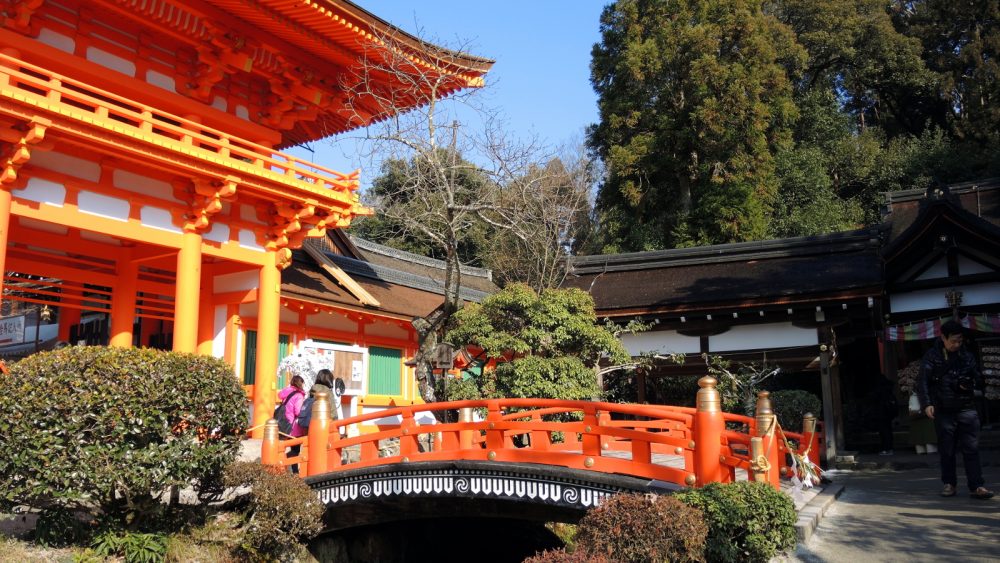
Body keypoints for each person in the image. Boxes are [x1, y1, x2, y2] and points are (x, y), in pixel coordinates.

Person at [916, 320, 994, 499]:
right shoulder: (932, 356)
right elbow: (923, 382)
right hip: (943, 409)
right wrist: (927, 403)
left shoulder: (967, 355)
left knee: (971, 448)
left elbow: (979, 379)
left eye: (960, 341)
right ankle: (949, 484)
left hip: (967, 407)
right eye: (953, 341)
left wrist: (972, 383)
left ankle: (977, 486)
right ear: (943, 337)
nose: (957, 344)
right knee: (947, 449)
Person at [278, 375, 305, 473]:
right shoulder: (298, 395)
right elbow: (298, 411)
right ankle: (282, 460)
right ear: (300, 383)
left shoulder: (286, 393)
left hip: (285, 424)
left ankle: (294, 471)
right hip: (294, 426)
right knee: (295, 450)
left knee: (293, 449)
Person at [876, 377, 898, 455]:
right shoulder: (889, 392)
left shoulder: (881, 392)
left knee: (884, 432)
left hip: (882, 414)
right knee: (888, 431)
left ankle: (886, 448)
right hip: (888, 415)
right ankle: (889, 448)